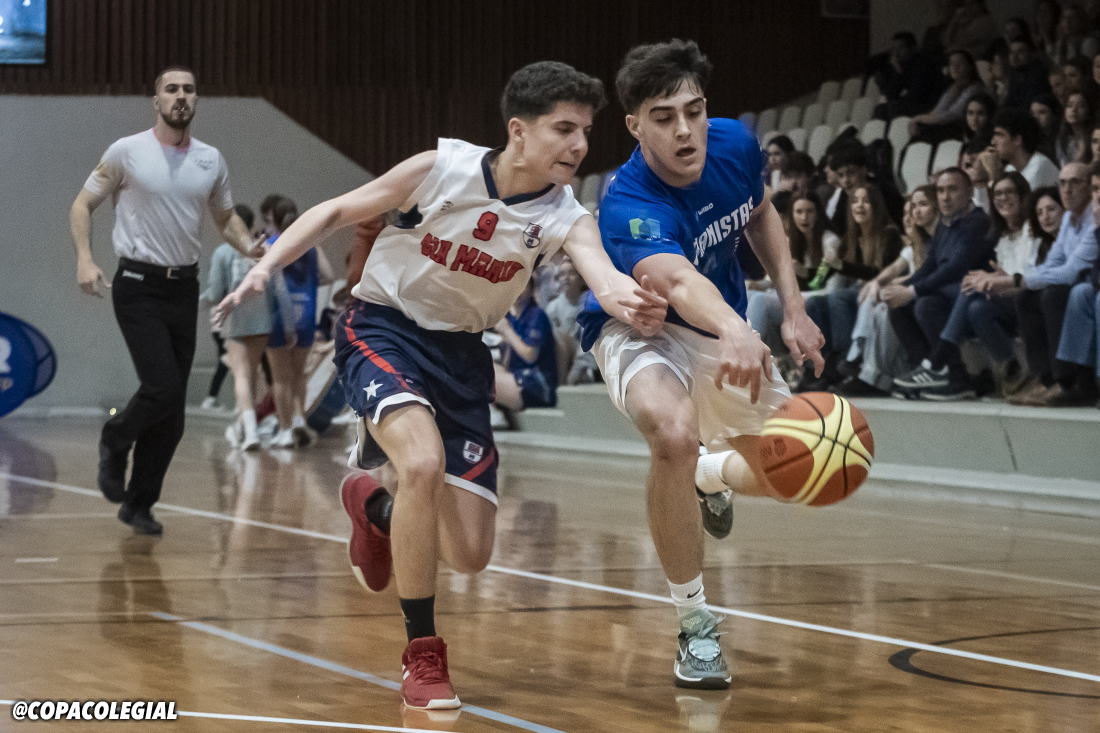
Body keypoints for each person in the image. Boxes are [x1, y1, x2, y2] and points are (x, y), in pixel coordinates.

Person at [217, 60, 666, 709]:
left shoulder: (564, 213)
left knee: (473, 553)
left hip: (462, 359)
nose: (579, 145)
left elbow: (600, 270)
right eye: (564, 129)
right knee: (421, 463)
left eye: (585, 131)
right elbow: (343, 207)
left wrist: (629, 300)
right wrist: (267, 266)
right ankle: (423, 654)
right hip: (384, 329)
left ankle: (373, 505)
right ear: (518, 131)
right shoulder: (443, 168)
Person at [575, 39, 824, 690]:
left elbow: (762, 213)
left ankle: (709, 476)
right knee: (672, 433)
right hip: (644, 327)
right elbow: (679, 283)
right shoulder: (629, 204)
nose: (684, 129)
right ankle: (696, 626)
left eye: (693, 109)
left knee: (799, 474)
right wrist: (739, 325)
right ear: (634, 125)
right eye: (663, 116)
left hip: (721, 329)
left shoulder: (737, 144)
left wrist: (793, 308)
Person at [70, 66, 257, 536]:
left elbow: (225, 217)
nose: (180, 97)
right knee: (163, 389)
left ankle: (139, 503)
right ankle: (115, 440)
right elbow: (82, 204)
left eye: (188, 90)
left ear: (196, 100)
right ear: (156, 100)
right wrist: (85, 259)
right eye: (171, 89)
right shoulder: (126, 152)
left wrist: (250, 246)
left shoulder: (211, 159)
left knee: (171, 417)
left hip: (182, 287)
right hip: (137, 285)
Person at [887, 168, 994, 397]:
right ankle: (923, 373)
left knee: (925, 304)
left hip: (975, 296)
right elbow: (929, 265)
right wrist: (902, 289)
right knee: (898, 307)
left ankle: (954, 375)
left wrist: (914, 291)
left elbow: (955, 268)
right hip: (951, 293)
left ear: (969, 191)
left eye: (952, 189)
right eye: (940, 190)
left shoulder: (977, 222)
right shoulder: (946, 224)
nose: (945, 196)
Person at [933, 172, 1034, 399]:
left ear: (1023, 196)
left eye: (1010, 192)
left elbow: (1031, 277)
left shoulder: (1032, 228)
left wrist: (999, 279)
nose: (1003, 198)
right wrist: (993, 280)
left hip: (1029, 298)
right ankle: (1011, 366)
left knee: (969, 286)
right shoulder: (1000, 235)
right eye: (997, 193)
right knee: (975, 306)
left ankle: (939, 358)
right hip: (1007, 300)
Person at [203, 204, 295, 449]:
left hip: (236, 320)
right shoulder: (264, 250)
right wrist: (288, 325)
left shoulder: (222, 252)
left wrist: (196, 301)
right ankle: (245, 427)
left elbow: (214, 292)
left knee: (241, 377)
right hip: (262, 321)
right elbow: (280, 289)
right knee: (253, 375)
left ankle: (250, 431)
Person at [796, 184, 903, 392]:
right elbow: (823, 276)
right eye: (855, 201)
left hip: (877, 293)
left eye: (865, 201)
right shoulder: (850, 238)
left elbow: (880, 273)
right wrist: (804, 272)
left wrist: (843, 266)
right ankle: (822, 368)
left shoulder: (889, 234)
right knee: (816, 303)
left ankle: (846, 359)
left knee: (838, 297)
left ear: (876, 206)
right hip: (857, 295)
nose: (859, 206)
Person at [835, 185, 940, 396]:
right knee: (859, 296)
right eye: (909, 211)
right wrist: (875, 283)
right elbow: (889, 272)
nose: (910, 217)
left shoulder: (898, 236)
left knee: (881, 304)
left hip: (926, 295)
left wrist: (887, 284)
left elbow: (920, 273)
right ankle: (859, 363)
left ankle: (860, 363)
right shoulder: (913, 244)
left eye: (920, 207)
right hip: (899, 291)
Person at [1010, 161, 1099, 405]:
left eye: (1075, 183)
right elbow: (1052, 263)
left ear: (1090, 188)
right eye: (1062, 183)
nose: (1067, 189)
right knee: (1027, 295)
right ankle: (1045, 378)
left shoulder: (1094, 217)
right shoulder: (1069, 216)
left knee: (1054, 294)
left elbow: (1070, 272)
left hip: (1089, 284)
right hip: (1079, 285)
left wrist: (1016, 280)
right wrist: (1018, 282)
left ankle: (1068, 382)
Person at [264, 198, 335, 449]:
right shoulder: (310, 247)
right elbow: (328, 276)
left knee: (280, 379)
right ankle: (298, 420)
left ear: (274, 218)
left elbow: (269, 283)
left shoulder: (271, 245)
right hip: (306, 316)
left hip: (278, 318)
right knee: (299, 376)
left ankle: (284, 431)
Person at [492, 278, 558, 419]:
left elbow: (530, 355)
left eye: (523, 285)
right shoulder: (512, 317)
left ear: (531, 289)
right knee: (480, 366)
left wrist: (507, 331)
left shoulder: (537, 315)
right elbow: (506, 366)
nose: (518, 290)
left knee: (480, 375)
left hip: (538, 386)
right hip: (518, 378)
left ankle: (494, 416)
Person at [974, 107, 1060, 212]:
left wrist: (994, 177)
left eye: (999, 135)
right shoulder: (1010, 169)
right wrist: (980, 182)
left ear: (1017, 140)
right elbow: (988, 215)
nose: (992, 142)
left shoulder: (1040, 167)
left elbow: (1016, 214)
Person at [908, 50, 985, 144]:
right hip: (947, 127)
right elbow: (936, 112)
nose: (955, 67)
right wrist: (915, 120)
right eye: (952, 64)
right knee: (921, 128)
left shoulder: (975, 89)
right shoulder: (953, 87)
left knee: (927, 132)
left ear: (970, 67)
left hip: (964, 132)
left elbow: (949, 116)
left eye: (960, 63)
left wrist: (916, 119)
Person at [873, 31, 948, 120]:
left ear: (913, 49)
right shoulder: (903, 65)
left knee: (895, 107)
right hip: (914, 103)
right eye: (894, 49)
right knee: (881, 109)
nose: (896, 53)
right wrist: (898, 72)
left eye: (901, 48)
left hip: (930, 105)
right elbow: (891, 95)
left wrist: (900, 74)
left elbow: (916, 95)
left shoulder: (924, 64)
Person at [544, 256, 588, 382]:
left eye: (572, 274)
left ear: (581, 279)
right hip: (561, 362)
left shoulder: (589, 305)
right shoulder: (553, 308)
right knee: (558, 336)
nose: (566, 279)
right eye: (562, 274)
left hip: (585, 360)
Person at [1002, 38, 1053, 111]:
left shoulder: (1038, 71)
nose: (1014, 56)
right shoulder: (1014, 72)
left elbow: (1030, 102)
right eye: (1012, 52)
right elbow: (1010, 97)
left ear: (1031, 53)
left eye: (1020, 52)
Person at [1055, 91, 1094, 166]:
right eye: (1069, 105)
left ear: (1089, 111)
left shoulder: (1094, 138)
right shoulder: (1061, 139)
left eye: (1081, 106)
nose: (1074, 110)